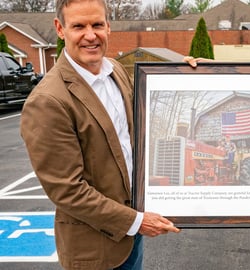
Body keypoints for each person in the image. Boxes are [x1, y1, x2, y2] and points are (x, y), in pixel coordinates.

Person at [20, 1, 180, 269]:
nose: (90, 35)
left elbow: (134, 139)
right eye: (79, 26)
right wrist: (137, 221)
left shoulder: (115, 71)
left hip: (131, 238)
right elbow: (68, 190)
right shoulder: (48, 101)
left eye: (97, 24)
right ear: (60, 29)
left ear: (108, 26)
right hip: (95, 251)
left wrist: (191, 73)